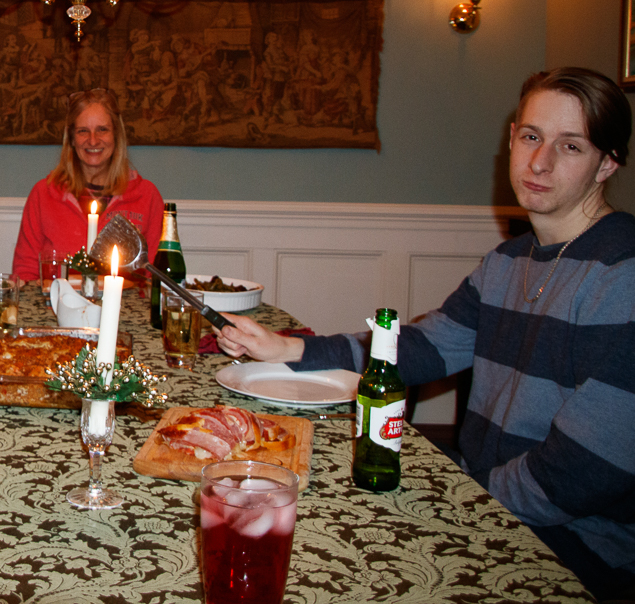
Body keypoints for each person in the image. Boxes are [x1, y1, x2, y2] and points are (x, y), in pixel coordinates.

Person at [214, 67, 635, 600]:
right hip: (493, 512)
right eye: (531, 136)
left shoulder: (624, 274)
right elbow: (416, 348)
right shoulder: (507, 262)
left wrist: (458, 498)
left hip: (571, 555)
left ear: (608, 162)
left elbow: (582, 472)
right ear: (511, 138)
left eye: (570, 146)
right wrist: (287, 348)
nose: (540, 161)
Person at [12, 87, 164, 281]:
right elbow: (25, 272)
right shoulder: (44, 194)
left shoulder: (146, 196)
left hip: (125, 309)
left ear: (116, 136)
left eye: (102, 130)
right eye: (83, 131)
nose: (93, 140)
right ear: (72, 139)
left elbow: (156, 277)